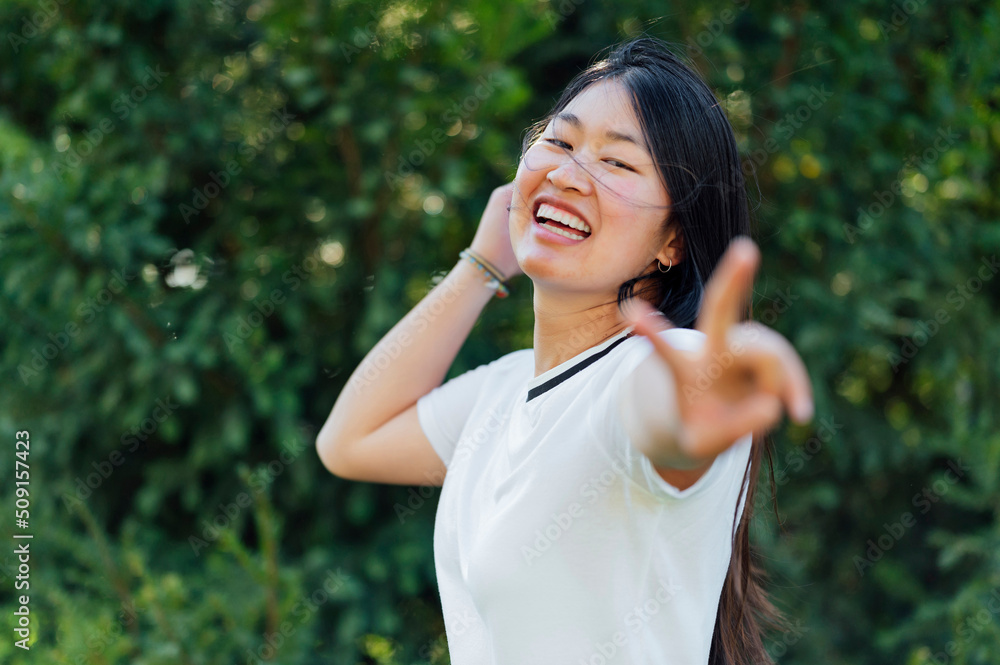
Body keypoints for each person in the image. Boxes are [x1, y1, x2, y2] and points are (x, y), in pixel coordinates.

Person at [317, 37, 813, 665]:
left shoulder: (648, 370)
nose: (568, 173)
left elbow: (664, 419)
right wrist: (479, 267)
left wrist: (697, 405)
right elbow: (348, 441)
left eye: (618, 163)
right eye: (558, 142)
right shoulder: (504, 390)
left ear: (673, 241)